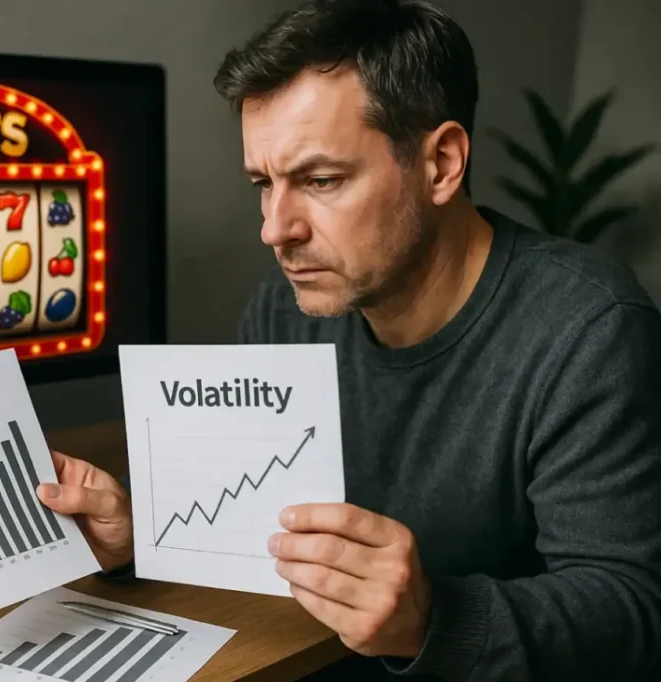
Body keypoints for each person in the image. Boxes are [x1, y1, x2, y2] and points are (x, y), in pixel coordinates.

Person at [36, 0, 661, 679]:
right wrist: (137, 530)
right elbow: (234, 504)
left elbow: (635, 614)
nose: (276, 230)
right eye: (263, 185)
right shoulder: (285, 307)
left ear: (442, 164)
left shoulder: (591, 329)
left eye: (320, 180)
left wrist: (432, 618)